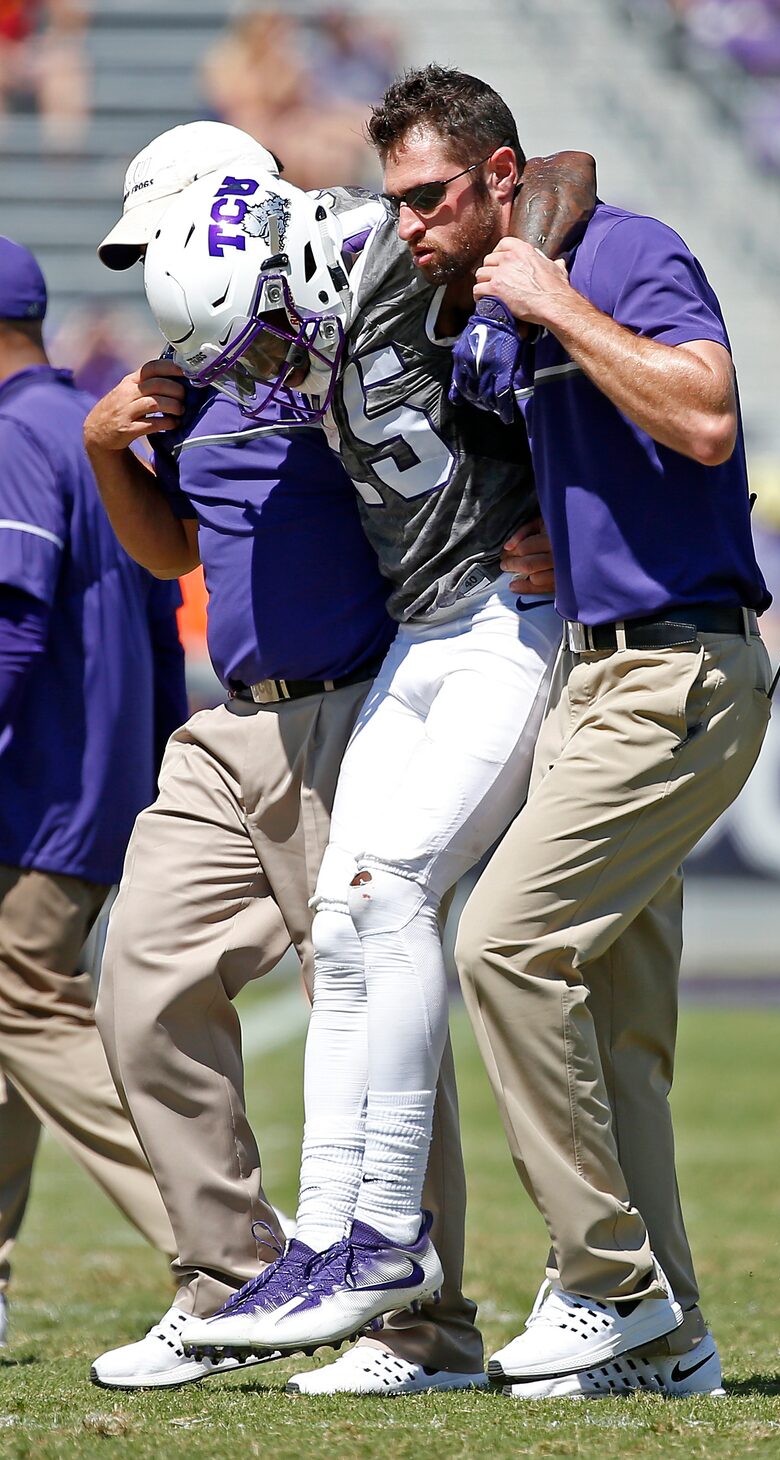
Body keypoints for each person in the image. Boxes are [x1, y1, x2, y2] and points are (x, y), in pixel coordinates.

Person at [84, 120, 578, 1395]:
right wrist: (108, 449)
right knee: (140, 987)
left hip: (361, 688)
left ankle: (418, 1320)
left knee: (373, 950)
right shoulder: (217, 345)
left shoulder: (351, 274)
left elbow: (547, 186)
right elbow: (180, 553)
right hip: (230, 711)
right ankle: (237, 1278)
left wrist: (537, 516)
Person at [439, 64, 773, 1398]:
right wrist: (543, 540)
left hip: (673, 671)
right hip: (593, 669)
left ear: (495, 181)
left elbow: (700, 414)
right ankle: (671, 1340)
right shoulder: (492, 294)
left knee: (504, 947)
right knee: (619, 1028)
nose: (410, 227)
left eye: (429, 198)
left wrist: (554, 296)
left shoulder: (621, 254)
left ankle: (601, 1282)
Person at [0, 236, 181, 1351]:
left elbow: (11, 622)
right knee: (13, 1016)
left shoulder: (16, 434)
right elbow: (161, 610)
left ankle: (225, 1241)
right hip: (97, 777)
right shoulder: (83, 427)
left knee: (26, 1004)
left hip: (39, 787)